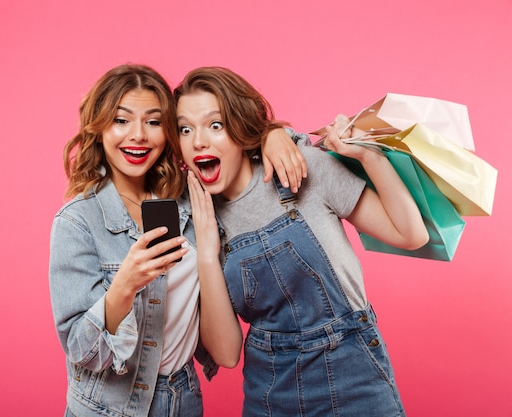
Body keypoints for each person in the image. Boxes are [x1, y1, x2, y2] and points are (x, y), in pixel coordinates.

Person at [48, 63, 307, 417]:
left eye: (153, 122)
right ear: (99, 129)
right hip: (108, 406)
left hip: (181, 399)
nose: (138, 135)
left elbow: (235, 150)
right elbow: (81, 350)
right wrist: (124, 285)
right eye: (121, 121)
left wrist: (274, 134)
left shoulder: (193, 197)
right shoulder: (78, 222)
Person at [175, 66, 429, 417]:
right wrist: (206, 252)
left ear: (240, 128)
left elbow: (411, 235)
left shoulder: (301, 167)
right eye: (185, 129)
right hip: (269, 391)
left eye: (215, 125)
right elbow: (227, 354)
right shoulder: (195, 217)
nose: (198, 141)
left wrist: (369, 156)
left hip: (355, 377)